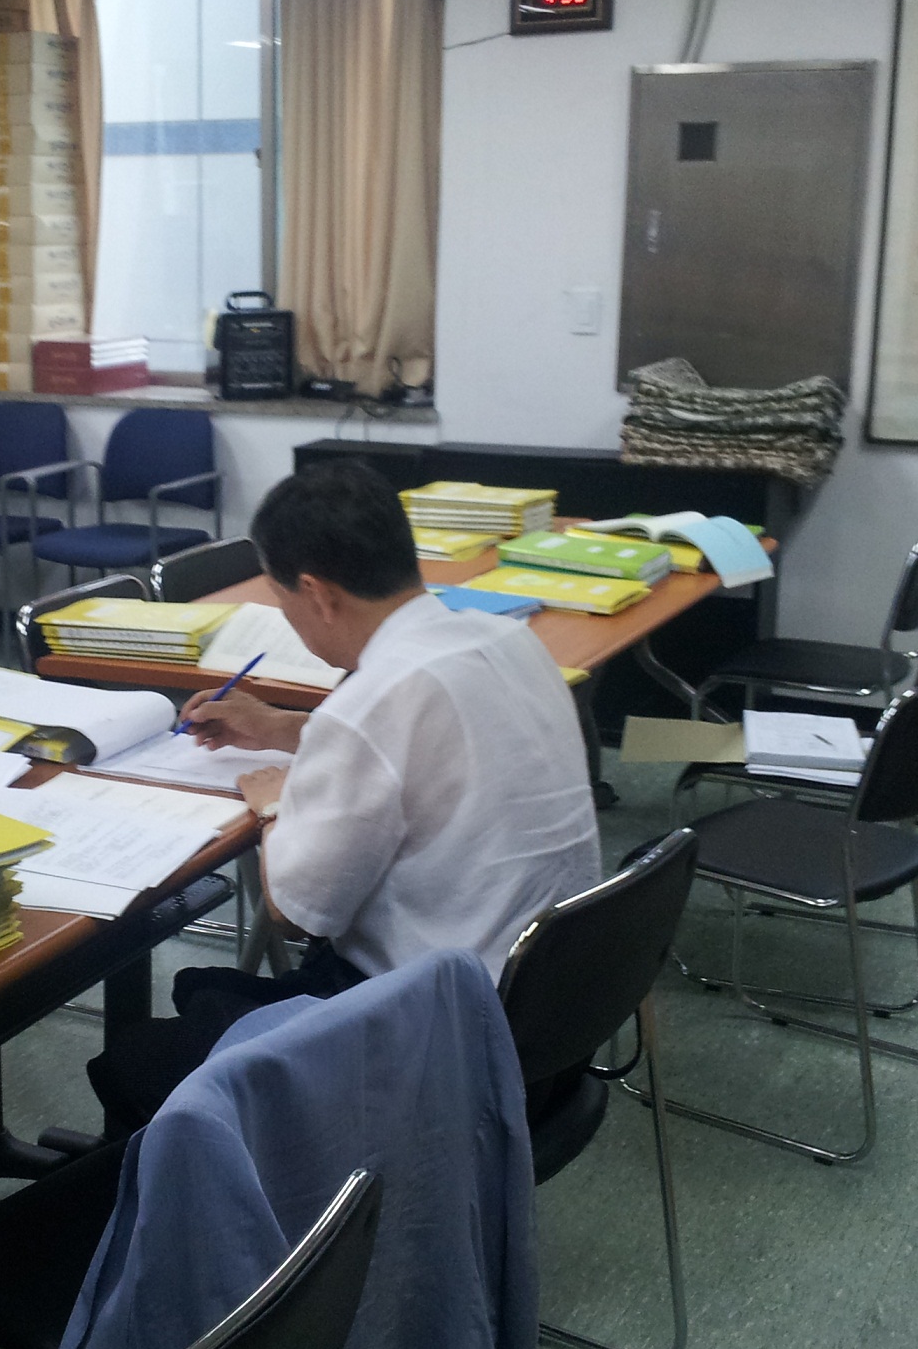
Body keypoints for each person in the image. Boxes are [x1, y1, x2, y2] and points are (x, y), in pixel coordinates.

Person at [87, 458, 600, 1132]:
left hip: (441, 1045)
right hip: (552, 1019)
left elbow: (297, 913)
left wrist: (274, 805)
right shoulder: (508, 639)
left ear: (317, 593)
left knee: (135, 1061)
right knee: (205, 997)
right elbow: (419, 748)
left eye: (284, 603)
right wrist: (279, 727)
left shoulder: (371, 703)